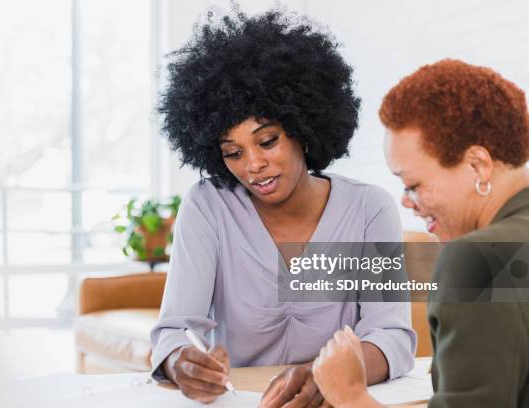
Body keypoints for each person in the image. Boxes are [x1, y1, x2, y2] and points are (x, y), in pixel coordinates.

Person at [150, 8, 416, 406]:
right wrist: (181, 362)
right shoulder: (208, 207)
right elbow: (175, 329)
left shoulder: (369, 209)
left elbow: (392, 336)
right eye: (232, 152)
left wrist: (326, 375)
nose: (253, 165)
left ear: (303, 129)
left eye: (268, 140)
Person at [312, 59, 529, 407]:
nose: (406, 201)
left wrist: (350, 395)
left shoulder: (476, 260)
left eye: (413, 184)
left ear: (478, 165)